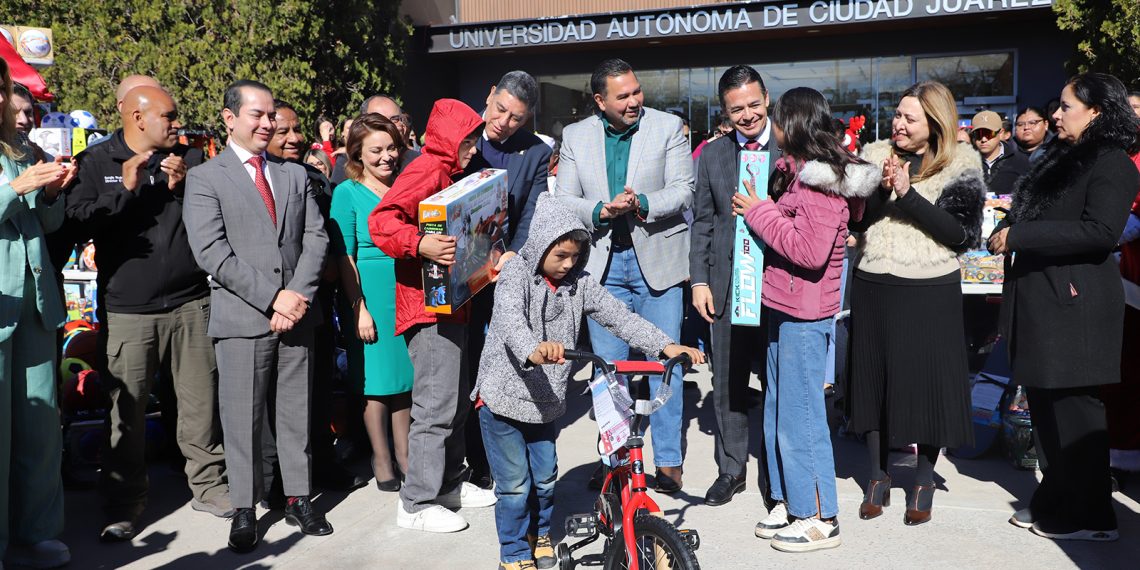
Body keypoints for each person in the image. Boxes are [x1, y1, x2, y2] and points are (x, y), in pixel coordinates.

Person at [473, 193, 705, 570]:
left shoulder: (580, 284)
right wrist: (533, 349)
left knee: (546, 478)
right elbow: (509, 319)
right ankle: (514, 553)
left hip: (544, 402)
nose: (568, 264)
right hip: (502, 399)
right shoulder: (517, 274)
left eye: (575, 257)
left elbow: (620, 317)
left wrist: (665, 345)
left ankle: (541, 534)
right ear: (542, 244)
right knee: (515, 486)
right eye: (560, 255)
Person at [65, 86, 230, 540]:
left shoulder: (189, 160)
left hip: (191, 302)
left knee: (201, 404)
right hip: (129, 310)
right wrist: (127, 191)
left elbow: (211, 222)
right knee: (127, 411)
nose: (177, 124)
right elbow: (77, 222)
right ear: (138, 118)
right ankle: (123, 502)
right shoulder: (99, 161)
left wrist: (182, 189)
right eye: (169, 116)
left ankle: (210, 485)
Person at [182, 80, 332, 553]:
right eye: (258, 115)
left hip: (295, 317)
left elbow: (317, 239)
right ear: (230, 119)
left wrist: (297, 297)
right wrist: (274, 298)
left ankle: (298, 497)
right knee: (241, 417)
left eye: (272, 116)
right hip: (244, 318)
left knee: (295, 413)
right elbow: (212, 253)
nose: (268, 124)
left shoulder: (292, 175)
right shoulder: (206, 178)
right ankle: (244, 507)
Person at [990, 72, 1140, 542]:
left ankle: (1094, 517)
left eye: (1067, 106)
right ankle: (1056, 498)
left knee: (1076, 414)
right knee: (1046, 410)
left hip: (1075, 303)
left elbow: (1101, 231)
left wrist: (1020, 234)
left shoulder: (1113, 162)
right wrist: (1006, 219)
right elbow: (1040, 211)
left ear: (1096, 112)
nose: (1055, 114)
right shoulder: (1062, 155)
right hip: (1041, 298)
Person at [732, 86, 878, 552]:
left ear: (790, 125)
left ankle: (819, 516)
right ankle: (788, 502)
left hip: (804, 313)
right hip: (784, 308)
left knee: (802, 415)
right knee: (778, 409)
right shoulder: (798, 175)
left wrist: (759, 213)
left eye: (775, 120)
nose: (769, 128)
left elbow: (809, 252)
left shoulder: (819, 183)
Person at [555, 58, 694, 493]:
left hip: (659, 263)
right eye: (623, 95)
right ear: (600, 101)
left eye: (637, 91)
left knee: (662, 364)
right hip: (602, 267)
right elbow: (566, 198)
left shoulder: (668, 127)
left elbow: (683, 189)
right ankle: (615, 461)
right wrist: (600, 211)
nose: (634, 100)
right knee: (608, 372)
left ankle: (669, 461)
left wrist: (643, 203)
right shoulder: (576, 136)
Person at [848, 81, 984, 526]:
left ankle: (923, 480)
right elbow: (858, 218)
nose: (898, 124)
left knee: (926, 387)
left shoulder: (962, 163)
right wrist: (880, 189)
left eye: (910, 118)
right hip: (872, 280)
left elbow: (961, 235)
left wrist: (907, 194)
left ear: (935, 123)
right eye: (897, 114)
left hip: (928, 287)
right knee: (874, 381)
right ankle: (877, 476)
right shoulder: (874, 154)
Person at [369, 98, 497, 534]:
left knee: (454, 401)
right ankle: (416, 501)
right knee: (434, 407)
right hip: (425, 309)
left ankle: (447, 484)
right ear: (447, 139)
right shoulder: (426, 169)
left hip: (451, 305)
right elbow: (381, 221)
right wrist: (418, 243)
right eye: (467, 138)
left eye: (476, 138)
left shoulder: (451, 173)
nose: (474, 146)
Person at [263, 100, 365, 498]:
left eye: (296, 129)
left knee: (318, 389)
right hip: (268, 303)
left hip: (315, 301)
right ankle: (273, 479)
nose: (295, 137)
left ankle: (322, 460)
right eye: (283, 130)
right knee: (272, 398)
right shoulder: (245, 181)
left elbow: (328, 236)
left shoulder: (315, 180)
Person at [689, 65, 780, 507]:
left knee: (777, 383)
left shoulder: (791, 149)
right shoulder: (713, 154)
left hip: (779, 286)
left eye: (754, 105)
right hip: (726, 287)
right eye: (736, 109)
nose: (747, 116)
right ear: (724, 112)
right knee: (727, 384)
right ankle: (731, 469)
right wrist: (700, 280)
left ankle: (777, 474)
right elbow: (702, 222)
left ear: (767, 99)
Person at [0, 56, 76, 570]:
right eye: (15, 102)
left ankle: (36, 531)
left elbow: (45, 226)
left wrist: (49, 193)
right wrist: (16, 188)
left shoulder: (23, 151)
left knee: (40, 427)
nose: (25, 115)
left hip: (35, 302)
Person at [463, 70, 554, 489]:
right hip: (458, 270)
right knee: (463, 366)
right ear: (489, 96)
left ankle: (489, 459)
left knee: (497, 365)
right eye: (500, 110)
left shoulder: (534, 152)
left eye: (517, 118)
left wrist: (514, 257)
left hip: (504, 272)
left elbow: (531, 211)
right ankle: (465, 455)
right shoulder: (464, 137)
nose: (504, 122)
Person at [328, 113, 414, 492]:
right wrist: (358, 306)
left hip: (406, 292)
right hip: (368, 296)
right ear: (357, 154)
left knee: (403, 378)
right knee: (375, 382)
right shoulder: (346, 192)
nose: (386, 157)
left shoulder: (404, 185)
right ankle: (382, 460)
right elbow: (344, 255)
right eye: (376, 150)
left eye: (391, 147)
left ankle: (406, 455)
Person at [331, 95, 420, 185]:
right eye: (379, 120)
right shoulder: (346, 162)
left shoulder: (418, 161)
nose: (388, 125)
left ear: (403, 125)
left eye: (395, 119)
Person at [971, 110, 1029, 195]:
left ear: (1001, 133)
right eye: (978, 134)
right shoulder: (966, 162)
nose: (983, 139)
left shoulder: (1020, 161)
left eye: (988, 133)